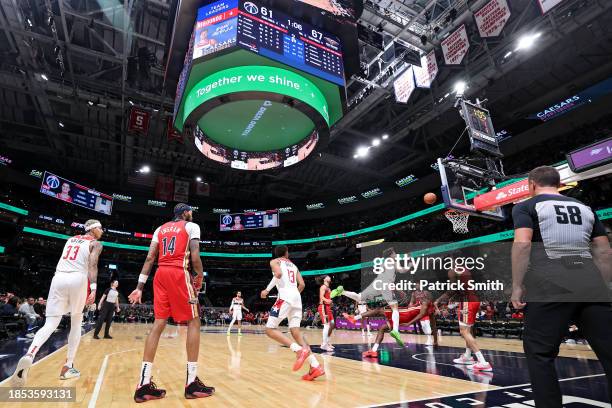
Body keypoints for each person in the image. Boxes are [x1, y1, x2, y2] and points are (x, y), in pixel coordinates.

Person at [510, 165, 612, 406]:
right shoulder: (586, 208)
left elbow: (523, 245)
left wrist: (517, 285)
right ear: (559, 184)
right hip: (591, 283)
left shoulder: (525, 206)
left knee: (540, 354)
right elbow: (604, 252)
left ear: (531, 184)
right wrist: (604, 284)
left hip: (549, 283)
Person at [128, 203, 214, 402]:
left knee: (159, 323)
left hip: (159, 275)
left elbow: (150, 258)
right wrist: (199, 276)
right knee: (194, 321)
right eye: (191, 211)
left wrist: (139, 287)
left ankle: (143, 384)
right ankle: (191, 383)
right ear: (185, 213)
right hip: (177, 274)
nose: (192, 213)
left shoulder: (160, 229)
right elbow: (195, 255)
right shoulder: (191, 226)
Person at [10, 219, 103, 386]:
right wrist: (94, 288)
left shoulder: (70, 240)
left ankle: (30, 354)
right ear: (93, 229)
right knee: (76, 322)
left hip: (58, 277)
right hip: (78, 278)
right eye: (100, 228)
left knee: (51, 323)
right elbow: (93, 265)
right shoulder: (96, 243)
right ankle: (68, 366)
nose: (102, 231)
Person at [260, 245, 324, 381]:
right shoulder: (294, 266)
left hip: (284, 297)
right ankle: (315, 366)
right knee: (295, 332)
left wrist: (267, 290)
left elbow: (278, 274)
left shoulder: (274, 261)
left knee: (270, 329)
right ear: (287, 253)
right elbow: (302, 285)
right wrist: (294, 295)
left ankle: (298, 350)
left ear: (276, 254)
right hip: (297, 298)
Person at [332, 247, 412, 346]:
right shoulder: (392, 260)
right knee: (395, 308)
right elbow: (402, 270)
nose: (395, 254)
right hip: (385, 284)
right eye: (395, 253)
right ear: (391, 254)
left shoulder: (383, 262)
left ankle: (342, 292)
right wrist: (409, 263)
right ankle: (395, 331)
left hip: (377, 282)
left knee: (360, 297)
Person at [435, 263, 492, 372]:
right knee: (468, 330)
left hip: (467, 302)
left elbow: (452, 290)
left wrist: (438, 300)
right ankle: (467, 356)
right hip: (473, 300)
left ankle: (483, 362)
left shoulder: (453, 270)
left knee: (464, 332)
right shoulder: (466, 270)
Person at [317, 275, 335, 351]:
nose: (329, 277)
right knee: (326, 326)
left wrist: (330, 303)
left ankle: (327, 342)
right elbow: (321, 297)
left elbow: (328, 298)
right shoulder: (323, 287)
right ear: (324, 279)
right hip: (323, 307)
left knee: (332, 324)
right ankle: (324, 345)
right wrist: (327, 301)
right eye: (328, 276)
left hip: (328, 307)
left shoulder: (329, 288)